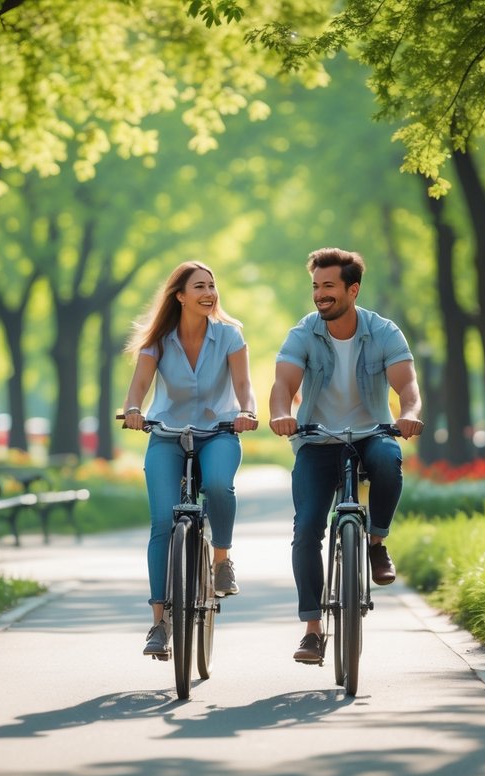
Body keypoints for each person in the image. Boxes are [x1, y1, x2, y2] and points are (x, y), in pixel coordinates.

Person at [269, 247, 423, 665]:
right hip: (317, 439)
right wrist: (281, 414)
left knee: (390, 463)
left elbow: (407, 387)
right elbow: (283, 384)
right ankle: (313, 631)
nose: (320, 294)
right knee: (306, 532)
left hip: (372, 430)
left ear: (352, 290)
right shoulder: (303, 332)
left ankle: (375, 542)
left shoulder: (384, 331)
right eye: (316, 286)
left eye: (329, 287)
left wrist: (409, 415)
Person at [120, 260, 259, 660]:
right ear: (180, 296)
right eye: (199, 286)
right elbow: (140, 387)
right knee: (163, 522)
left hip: (219, 432)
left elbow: (243, 385)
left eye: (212, 285)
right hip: (167, 434)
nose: (208, 293)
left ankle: (221, 560)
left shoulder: (230, 337)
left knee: (217, 485)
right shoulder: (159, 341)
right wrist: (132, 409)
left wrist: (246, 412)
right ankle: (159, 623)